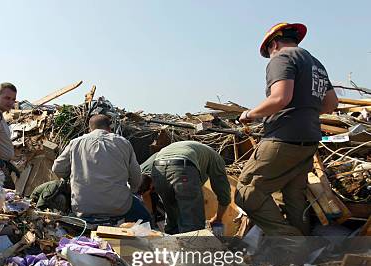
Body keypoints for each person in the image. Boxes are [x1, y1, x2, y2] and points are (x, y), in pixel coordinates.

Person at [236, 22, 338, 236]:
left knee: (247, 191)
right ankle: (306, 257)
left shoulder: (282, 57)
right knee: (294, 197)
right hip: (308, 140)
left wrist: (249, 114)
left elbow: (280, 98)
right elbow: (331, 104)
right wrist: (304, 111)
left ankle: (291, 243)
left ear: (273, 44)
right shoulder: (316, 64)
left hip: (282, 139)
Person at [52, 114, 150, 223]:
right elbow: (136, 177)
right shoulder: (123, 143)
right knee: (146, 219)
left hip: (83, 208)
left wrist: (73, 177)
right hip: (118, 208)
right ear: (109, 128)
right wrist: (133, 190)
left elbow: (57, 168)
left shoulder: (75, 143)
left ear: (90, 128)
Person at [139, 141, 231, 234]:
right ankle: (191, 247)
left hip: (158, 169)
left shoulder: (144, 168)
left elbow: (144, 190)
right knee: (192, 225)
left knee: (172, 220)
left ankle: (172, 244)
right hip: (183, 169)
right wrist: (218, 218)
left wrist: (150, 219)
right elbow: (223, 191)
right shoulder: (215, 158)